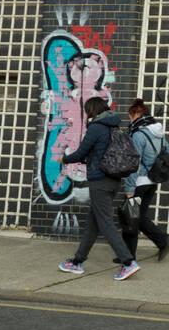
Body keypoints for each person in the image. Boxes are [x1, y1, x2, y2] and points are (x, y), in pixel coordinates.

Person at [57, 97, 140, 281]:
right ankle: (77, 261)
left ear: (92, 110)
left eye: (87, 111)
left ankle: (128, 262)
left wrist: (64, 159)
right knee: (93, 224)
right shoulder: (113, 126)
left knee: (105, 223)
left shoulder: (97, 127)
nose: (86, 114)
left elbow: (81, 153)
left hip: (99, 182)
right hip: (113, 181)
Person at [122, 98, 169, 262]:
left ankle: (130, 255)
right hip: (152, 182)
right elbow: (168, 152)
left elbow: (133, 164)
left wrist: (129, 190)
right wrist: (154, 163)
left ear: (136, 114)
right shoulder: (158, 132)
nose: (130, 119)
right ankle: (159, 241)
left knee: (131, 218)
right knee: (137, 218)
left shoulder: (138, 135)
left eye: (130, 116)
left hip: (139, 183)